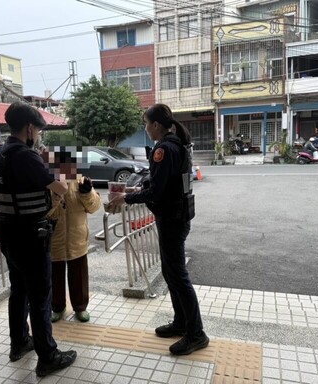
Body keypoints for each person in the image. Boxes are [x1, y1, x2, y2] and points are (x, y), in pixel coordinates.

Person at [0, 101, 77, 377]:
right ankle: (48, 356)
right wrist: (55, 164)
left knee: (19, 289)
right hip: (31, 236)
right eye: (40, 132)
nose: (40, 137)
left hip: (7, 233)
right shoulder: (27, 156)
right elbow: (61, 188)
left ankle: (19, 342)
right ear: (31, 128)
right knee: (40, 295)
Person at [108, 103, 209, 356]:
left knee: (178, 276)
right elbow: (161, 181)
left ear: (155, 125)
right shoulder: (175, 144)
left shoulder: (165, 149)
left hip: (173, 219)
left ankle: (196, 334)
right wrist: (136, 190)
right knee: (170, 271)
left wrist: (126, 198)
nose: (145, 128)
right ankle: (181, 322)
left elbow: (157, 190)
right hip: (175, 216)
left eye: (146, 123)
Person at [44, 146, 101, 323]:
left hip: (77, 237)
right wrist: (56, 196)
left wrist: (87, 193)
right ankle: (57, 307)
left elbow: (94, 207)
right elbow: (46, 213)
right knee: (55, 275)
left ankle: (80, 307)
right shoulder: (48, 184)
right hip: (55, 239)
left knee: (79, 275)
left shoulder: (81, 181)